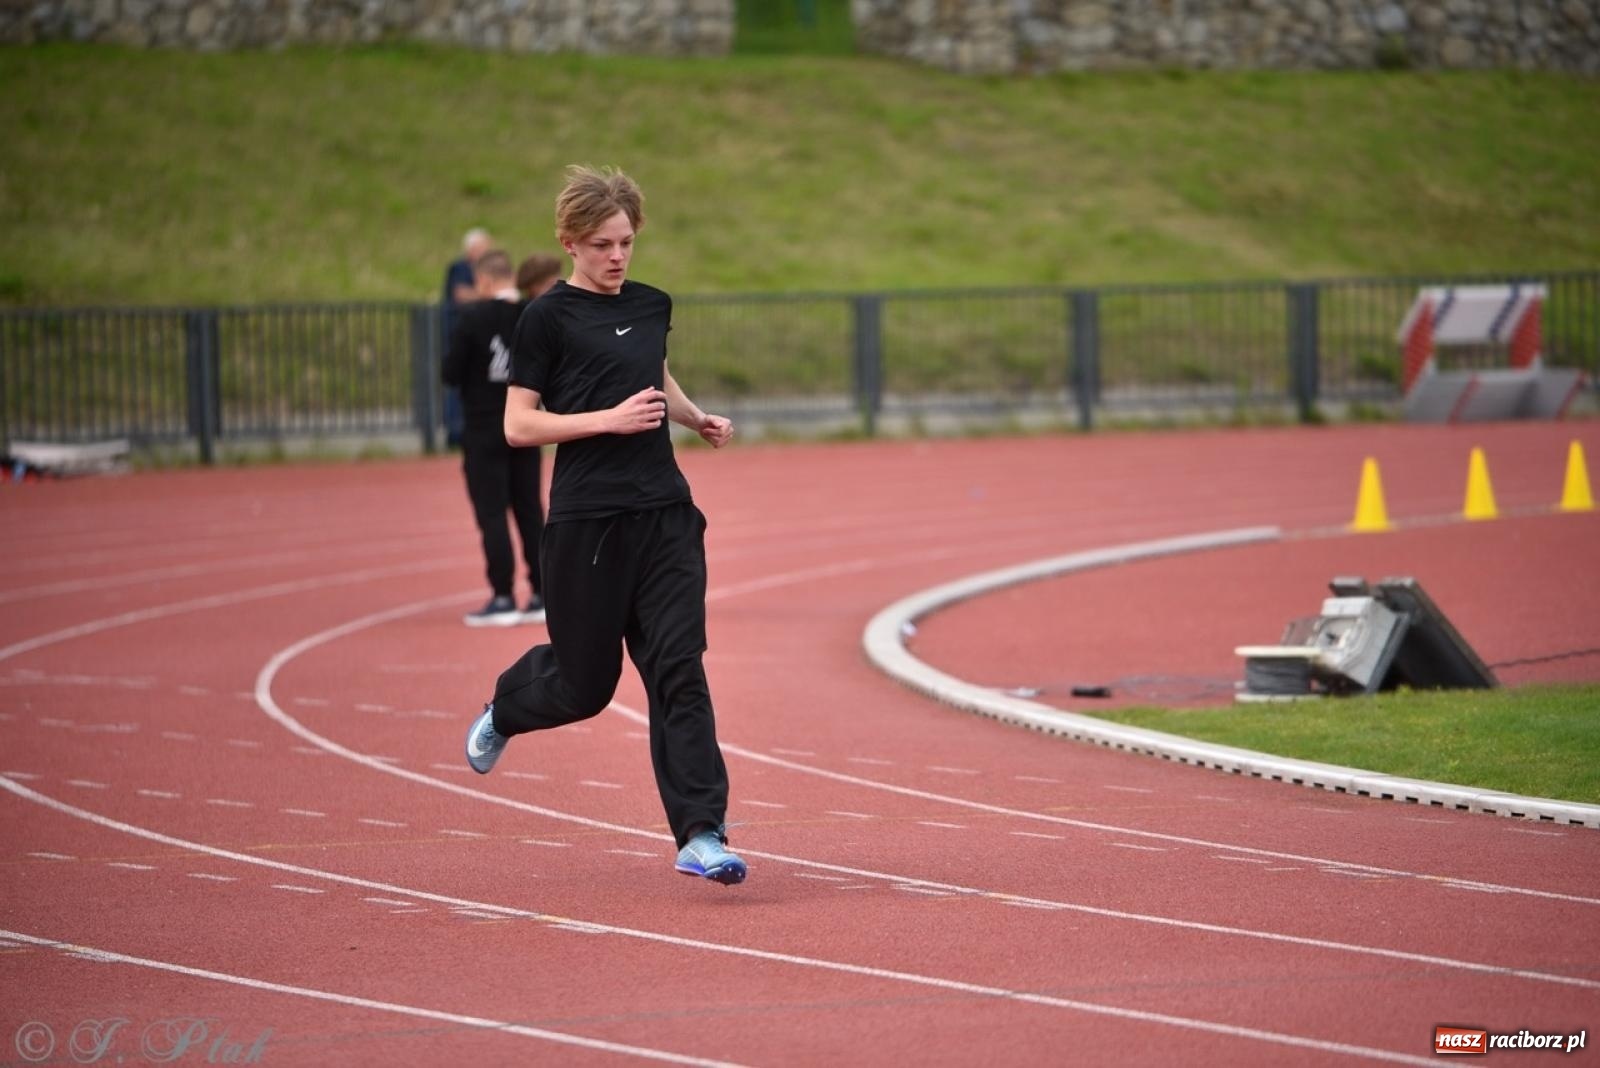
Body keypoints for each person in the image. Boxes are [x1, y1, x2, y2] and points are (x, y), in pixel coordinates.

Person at [463, 164, 746, 886]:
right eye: (601, 245)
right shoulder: (544, 318)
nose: (617, 256)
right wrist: (607, 423)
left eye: (625, 241)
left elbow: (654, 370)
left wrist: (693, 417)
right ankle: (506, 707)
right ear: (569, 244)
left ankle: (701, 832)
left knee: (680, 670)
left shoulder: (653, 304)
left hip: (665, 514)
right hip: (588, 524)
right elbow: (519, 425)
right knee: (586, 686)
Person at [441, 249, 546, 628]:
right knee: (530, 510)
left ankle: (502, 597)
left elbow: (450, 372)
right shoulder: (530, 314)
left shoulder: (472, 318)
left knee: (492, 513)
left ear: (483, 280)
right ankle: (541, 594)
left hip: (484, 429)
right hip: (526, 426)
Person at [441, 228, 493, 448]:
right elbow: (460, 294)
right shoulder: (459, 268)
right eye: (483, 248)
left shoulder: (486, 269)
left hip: (480, 335)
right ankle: (454, 431)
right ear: (471, 249)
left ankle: (466, 430)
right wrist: (488, 293)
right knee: (457, 381)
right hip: (458, 334)